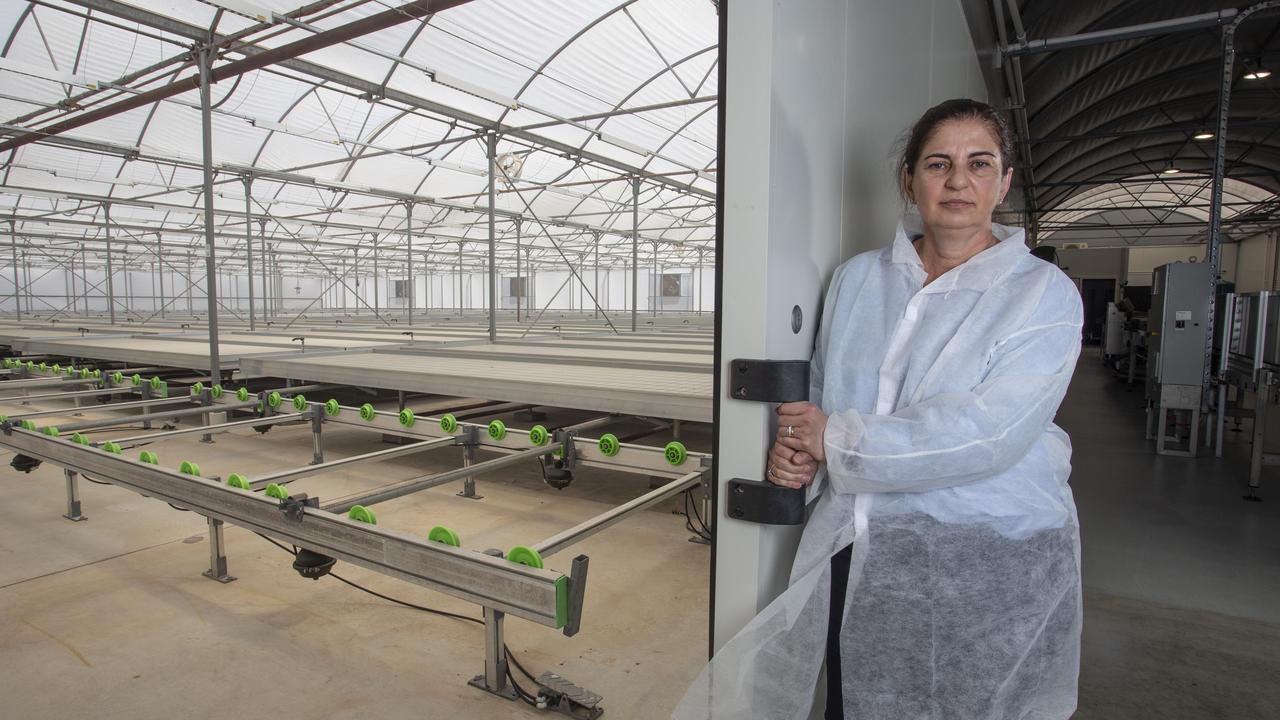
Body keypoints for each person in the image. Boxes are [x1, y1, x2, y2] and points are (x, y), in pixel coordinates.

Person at [675, 98, 1083, 719]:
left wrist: (831, 439)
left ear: (1003, 182)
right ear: (908, 179)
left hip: (979, 554)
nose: (956, 181)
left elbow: (990, 432)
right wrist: (799, 454)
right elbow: (820, 391)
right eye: (937, 163)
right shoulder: (859, 278)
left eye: (979, 164)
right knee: (855, 701)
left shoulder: (1041, 294)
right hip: (859, 545)